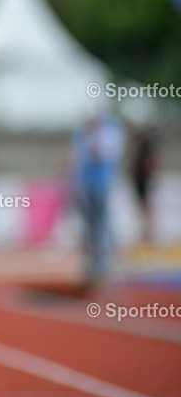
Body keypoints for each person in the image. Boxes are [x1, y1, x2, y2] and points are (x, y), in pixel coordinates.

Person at [71, 106, 123, 291]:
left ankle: (105, 259)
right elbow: (78, 160)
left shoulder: (108, 133)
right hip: (87, 185)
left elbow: (100, 155)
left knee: (102, 221)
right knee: (90, 223)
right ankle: (92, 259)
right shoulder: (82, 133)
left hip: (101, 183)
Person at [130, 127, 157, 247]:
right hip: (140, 182)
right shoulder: (140, 149)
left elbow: (150, 163)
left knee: (146, 209)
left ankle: (148, 236)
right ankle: (146, 235)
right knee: (143, 209)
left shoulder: (145, 149)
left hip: (144, 182)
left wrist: (145, 175)